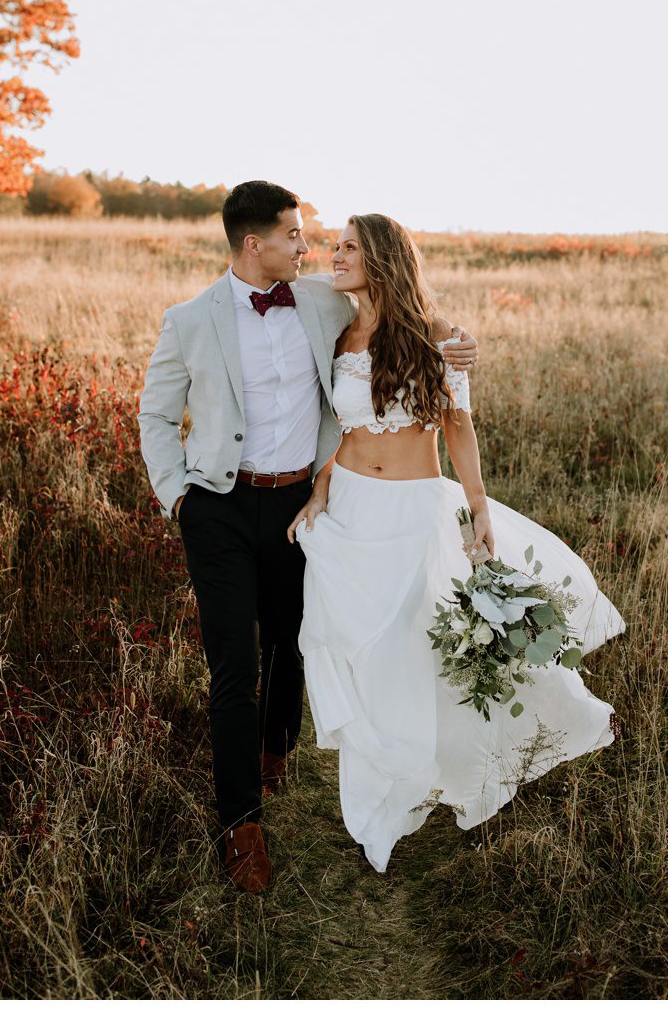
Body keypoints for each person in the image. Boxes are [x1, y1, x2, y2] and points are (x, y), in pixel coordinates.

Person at [138, 182, 477, 892]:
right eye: (295, 235)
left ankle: (277, 746)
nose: (310, 246)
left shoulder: (323, 302)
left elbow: (406, 316)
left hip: (301, 499)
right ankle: (242, 826)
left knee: (290, 638)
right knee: (233, 664)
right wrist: (179, 499)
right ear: (254, 244)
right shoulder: (189, 321)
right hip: (220, 508)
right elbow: (155, 414)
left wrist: (460, 341)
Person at [288, 214, 625, 872]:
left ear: (382, 257)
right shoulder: (338, 331)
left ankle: (545, 728)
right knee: (348, 650)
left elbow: (459, 426)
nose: (335, 255)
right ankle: (380, 785)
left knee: (418, 651)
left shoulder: (439, 336)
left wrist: (476, 505)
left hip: (414, 511)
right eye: (335, 246)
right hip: (350, 514)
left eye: (349, 247)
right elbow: (335, 431)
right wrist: (322, 492)